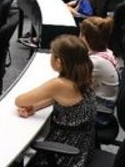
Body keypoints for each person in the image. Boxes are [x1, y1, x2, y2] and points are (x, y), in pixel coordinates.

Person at [15, 35, 95, 167]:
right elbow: (63, 100)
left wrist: (31, 103)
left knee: (19, 155)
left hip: (67, 157)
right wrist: (35, 107)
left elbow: (19, 101)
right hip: (83, 147)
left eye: (52, 54)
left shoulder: (59, 84)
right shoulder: (83, 74)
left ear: (58, 62)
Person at [79, 17, 119, 128]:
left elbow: (71, 85)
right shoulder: (106, 52)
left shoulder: (96, 62)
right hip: (101, 104)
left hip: (100, 113)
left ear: (86, 39)